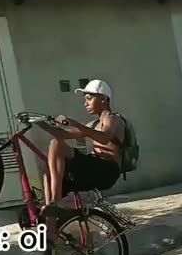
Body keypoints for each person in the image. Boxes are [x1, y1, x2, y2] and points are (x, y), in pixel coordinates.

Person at [42, 79, 125, 220]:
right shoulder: (94, 124)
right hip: (93, 166)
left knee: (57, 144)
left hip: (107, 170)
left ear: (104, 99)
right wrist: (39, 123)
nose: (85, 103)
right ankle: (51, 223)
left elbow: (104, 138)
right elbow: (62, 134)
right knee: (48, 172)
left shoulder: (113, 119)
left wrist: (75, 124)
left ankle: (56, 201)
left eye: (89, 98)